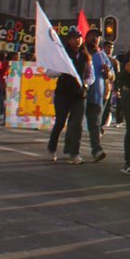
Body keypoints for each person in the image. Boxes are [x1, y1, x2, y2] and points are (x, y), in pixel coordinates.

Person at [47, 29, 91, 164]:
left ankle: (74, 153)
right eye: (74, 38)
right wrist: (62, 71)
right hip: (63, 94)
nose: (77, 40)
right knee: (60, 123)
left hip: (79, 95)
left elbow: (90, 75)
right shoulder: (62, 55)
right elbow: (49, 72)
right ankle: (52, 148)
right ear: (68, 40)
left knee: (77, 124)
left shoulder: (85, 56)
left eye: (79, 37)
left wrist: (86, 83)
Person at [83, 30, 109, 162]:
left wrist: (108, 73)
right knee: (75, 123)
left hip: (96, 95)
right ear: (86, 37)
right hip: (79, 94)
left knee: (95, 125)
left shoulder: (102, 55)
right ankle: (71, 149)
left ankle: (97, 150)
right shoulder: (80, 53)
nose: (95, 39)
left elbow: (112, 75)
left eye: (98, 37)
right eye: (93, 36)